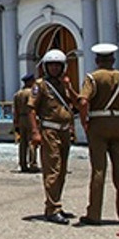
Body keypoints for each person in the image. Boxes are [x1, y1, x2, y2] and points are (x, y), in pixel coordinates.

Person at [77, 44, 119, 225]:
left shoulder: (92, 78)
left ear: (97, 60)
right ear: (113, 60)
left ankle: (94, 213)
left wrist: (84, 120)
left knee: (98, 169)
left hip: (98, 124)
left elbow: (83, 100)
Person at [30, 48, 78, 224]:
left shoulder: (63, 85)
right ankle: (52, 208)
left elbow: (76, 103)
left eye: (58, 66)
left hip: (64, 131)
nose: (54, 69)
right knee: (52, 170)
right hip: (49, 131)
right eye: (51, 66)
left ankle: (56, 203)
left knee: (62, 170)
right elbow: (31, 109)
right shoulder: (41, 85)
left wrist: (69, 87)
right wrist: (35, 132)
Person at [13, 75, 40, 173]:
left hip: (21, 118)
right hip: (30, 117)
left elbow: (15, 110)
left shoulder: (18, 94)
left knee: (22, 142)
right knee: (32, 141)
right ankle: (33, 163)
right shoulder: (32, 93)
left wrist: (16, 122)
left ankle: (23, 163)